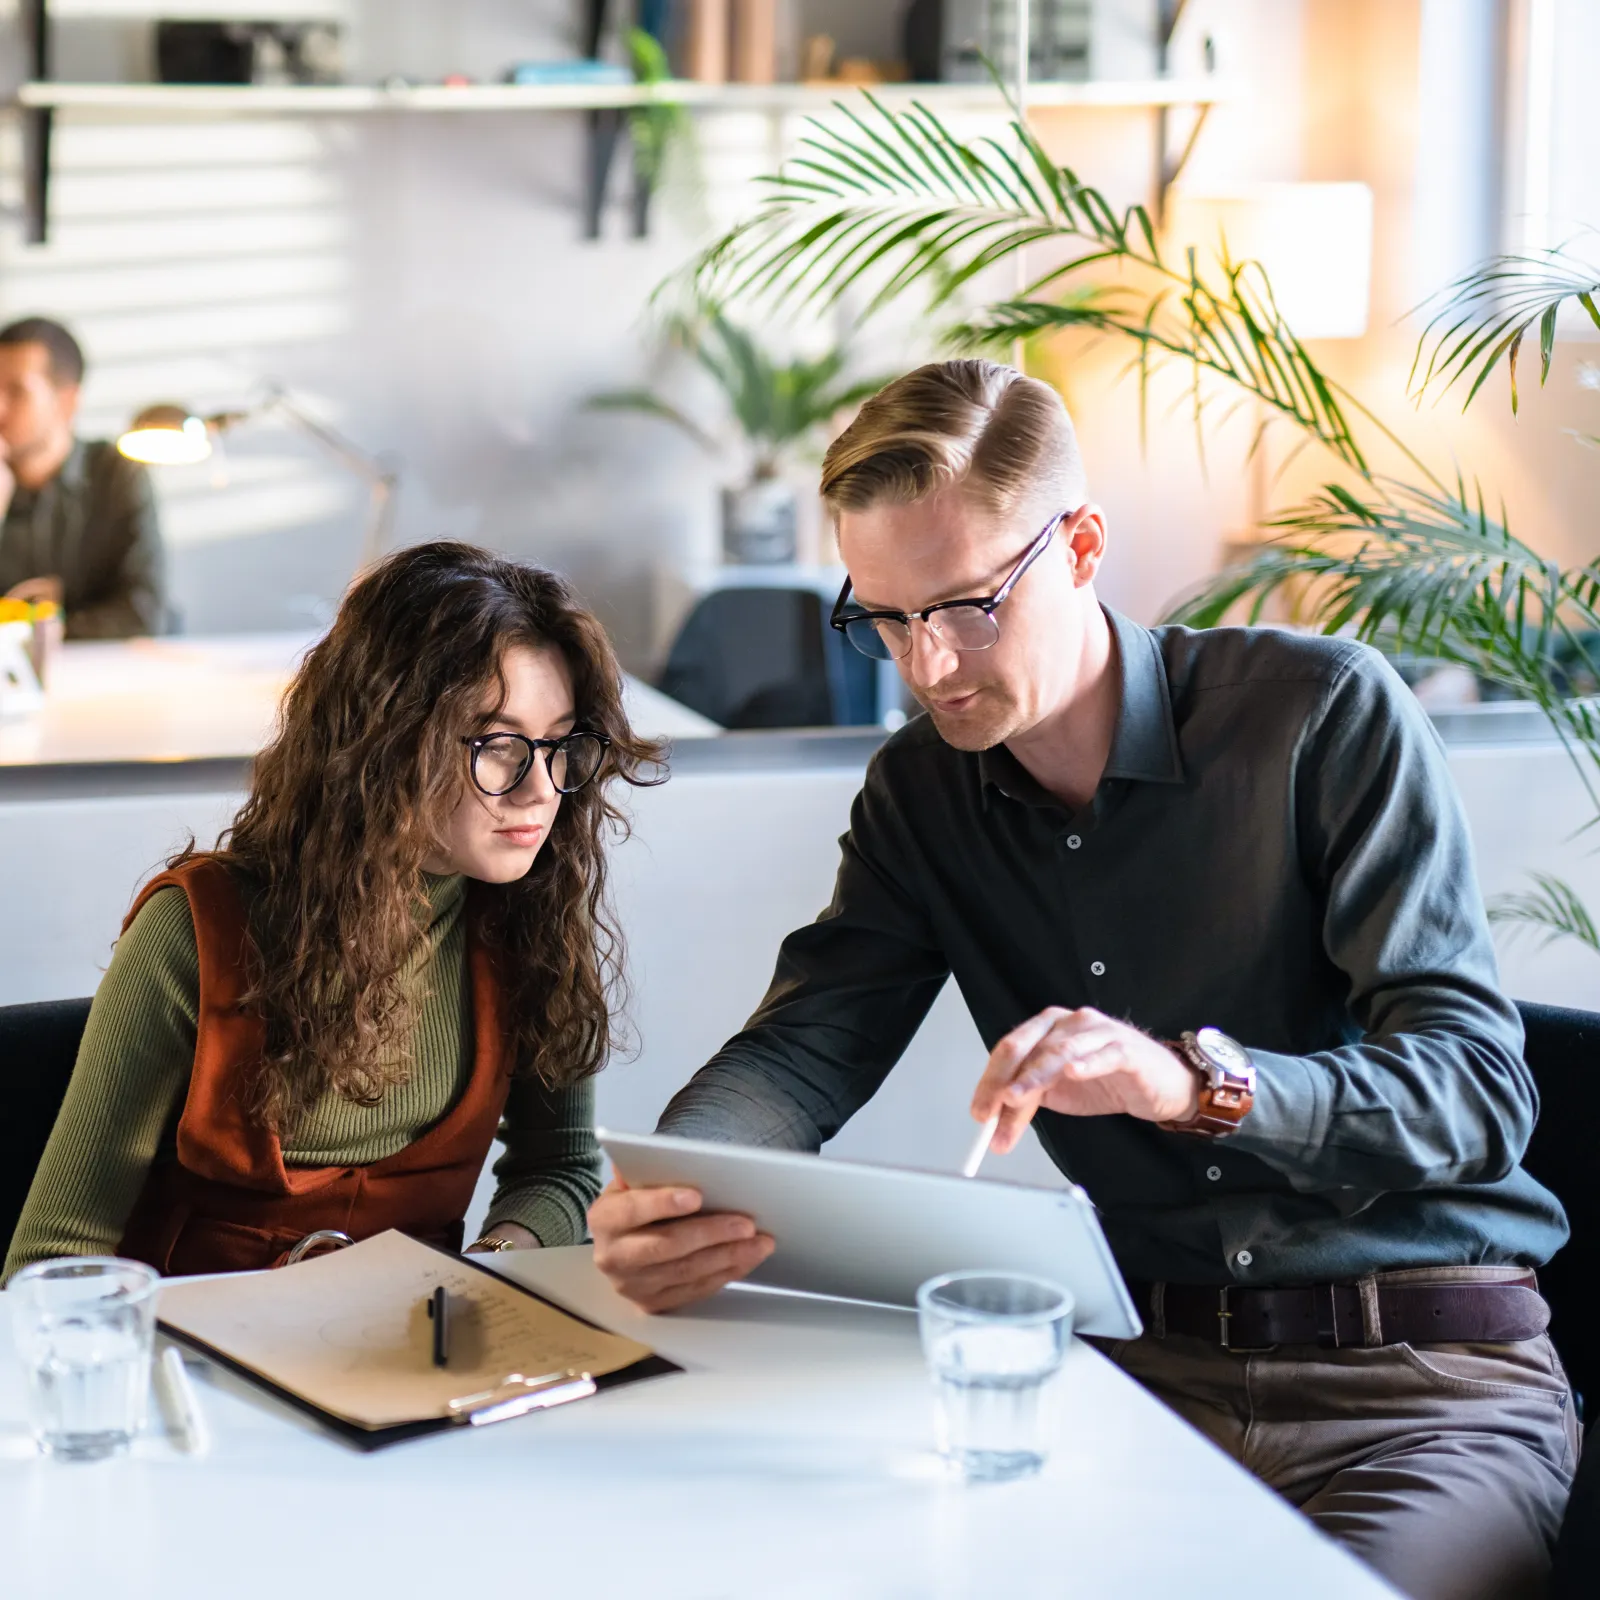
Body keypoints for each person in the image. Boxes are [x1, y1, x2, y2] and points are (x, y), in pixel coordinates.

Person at [588, 361, 1578, 1600]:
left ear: (1083, 545)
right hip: (1130, 1378)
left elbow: (1475, 1092)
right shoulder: (920, 794)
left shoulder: (1318, 718)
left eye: (964, 606)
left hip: (1417, 1387)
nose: (929, 664)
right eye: (884, 618)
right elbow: (803, 1047)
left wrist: (1187, 1083)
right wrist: (682, 1191)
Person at [5, 540, 658, 1279]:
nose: (540, 787)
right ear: (384, 741)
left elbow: (561, 1168)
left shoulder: (532, 912)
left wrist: (488, 1271)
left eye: (560, 744)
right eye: (499, 743)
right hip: (192, 1360)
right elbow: (53, 1262)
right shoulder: (196, 930)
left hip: (413, 1354)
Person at [0, 315, 166, 638]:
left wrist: (32, 635)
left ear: (67, 402)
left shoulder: (118, 474)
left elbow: (141, 614)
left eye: (16, 391)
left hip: (109, 677)